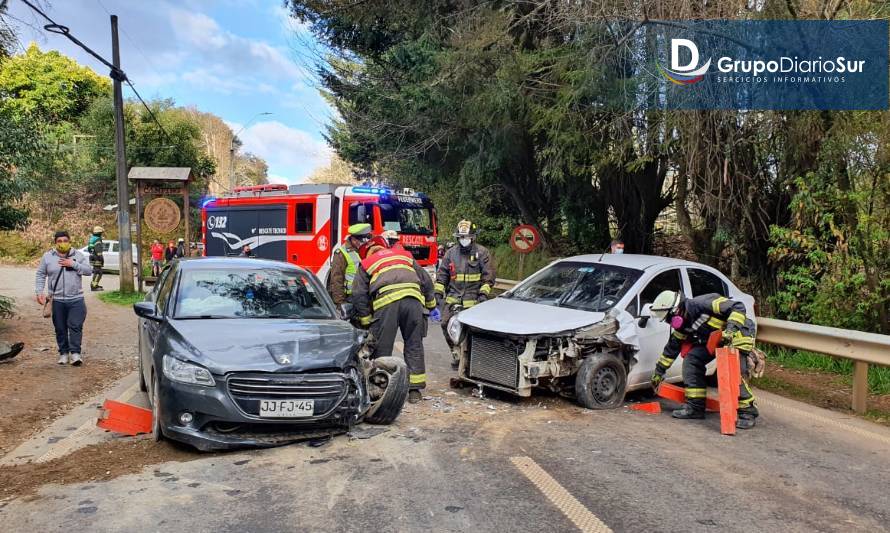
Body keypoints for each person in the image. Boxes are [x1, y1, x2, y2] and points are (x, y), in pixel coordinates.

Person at [648, 290, 759, 429]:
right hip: (715, 339)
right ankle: (695, 407)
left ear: (676, 310)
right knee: (692, 361)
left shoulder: (702, 303)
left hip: (737, 334)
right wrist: (659, 372)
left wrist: (730, 331)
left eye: (668, 318)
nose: (669, 322)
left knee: (733, 373)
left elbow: (738, 307)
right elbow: (672, 348)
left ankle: (747, 411)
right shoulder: (683, 324)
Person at [352, 235, 436, 404]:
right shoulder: (404, 255)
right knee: (414, 344)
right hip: (413, 302)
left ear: (367, 252)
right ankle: (414, 391)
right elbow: (426, 280)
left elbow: (358, 294)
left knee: (382, 347)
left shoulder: (367, 263)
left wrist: (366, 319)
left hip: (387, 304)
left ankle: (381, 388)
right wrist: (430, 303)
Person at [435, 220, 496, 367]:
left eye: (466, 237)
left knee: (473, 330)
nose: (464, 240)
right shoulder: (450, 254)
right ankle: (456, 353)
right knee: (445, 324)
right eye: (461, 237)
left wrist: (483, 295)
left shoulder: (482, 253)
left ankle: (472, 359)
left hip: (474, 300)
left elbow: (488, 278)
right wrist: (437, 293)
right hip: (453, 298)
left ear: (473, 237)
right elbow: (442, 274)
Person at [35, 230, 92, 366]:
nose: (62, 243)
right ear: (55, 243)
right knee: (60, 328)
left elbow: (89, 271)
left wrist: (73, 264)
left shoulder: (78, 255)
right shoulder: (48, 257)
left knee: (75, 326)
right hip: (57, 300)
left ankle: (75, 354)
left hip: (76, 299)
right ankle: (63, 353)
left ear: (69, 241)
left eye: (65, 241)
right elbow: (41, 274)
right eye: (59, 241)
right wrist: (39, 292)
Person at [327, 223, 372, 319]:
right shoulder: (341, 253)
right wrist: (340, 304)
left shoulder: (365, 250)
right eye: (362, 240)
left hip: (365, 295)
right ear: (354, 239)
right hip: (351, 298)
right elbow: (336, 280)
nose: (364, 242)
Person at [87, 226, 105, 291]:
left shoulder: (92, 239)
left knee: (96, 272)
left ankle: (95, 284)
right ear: (99, 233)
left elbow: (90, 249)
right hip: (97, 258)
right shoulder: (98, 240)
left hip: (92, 257)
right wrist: (102, 260)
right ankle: (94, 286)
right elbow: (99, 252)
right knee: (98, 272)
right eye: (101, 233)